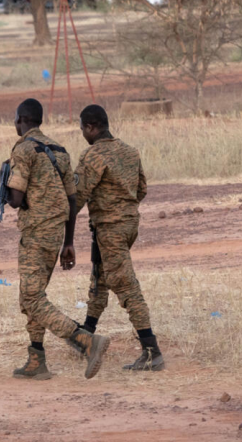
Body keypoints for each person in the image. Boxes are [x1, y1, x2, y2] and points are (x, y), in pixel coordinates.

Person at [6, 98, 110, 380]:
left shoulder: (23, 150)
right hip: (55, 235)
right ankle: (36, 359)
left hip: (36, 233)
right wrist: (68, 242)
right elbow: (72, 199)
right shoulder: (59, 151)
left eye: (15, 120)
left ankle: (84, 341)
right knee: (32, 295)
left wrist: (4, 187)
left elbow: (15, 199)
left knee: (31, 296)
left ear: (21, 120)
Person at [69, 104, 164, 371]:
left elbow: (78, 197)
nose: (82, 134)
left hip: (109, 228)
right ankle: (85, 336)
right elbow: (141, 189)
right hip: (129, 224)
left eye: (82, 129)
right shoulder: (130, 151)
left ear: (90, 127)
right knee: (100, 278)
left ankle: (151, 351)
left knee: (125, 285)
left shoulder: (92, 155)